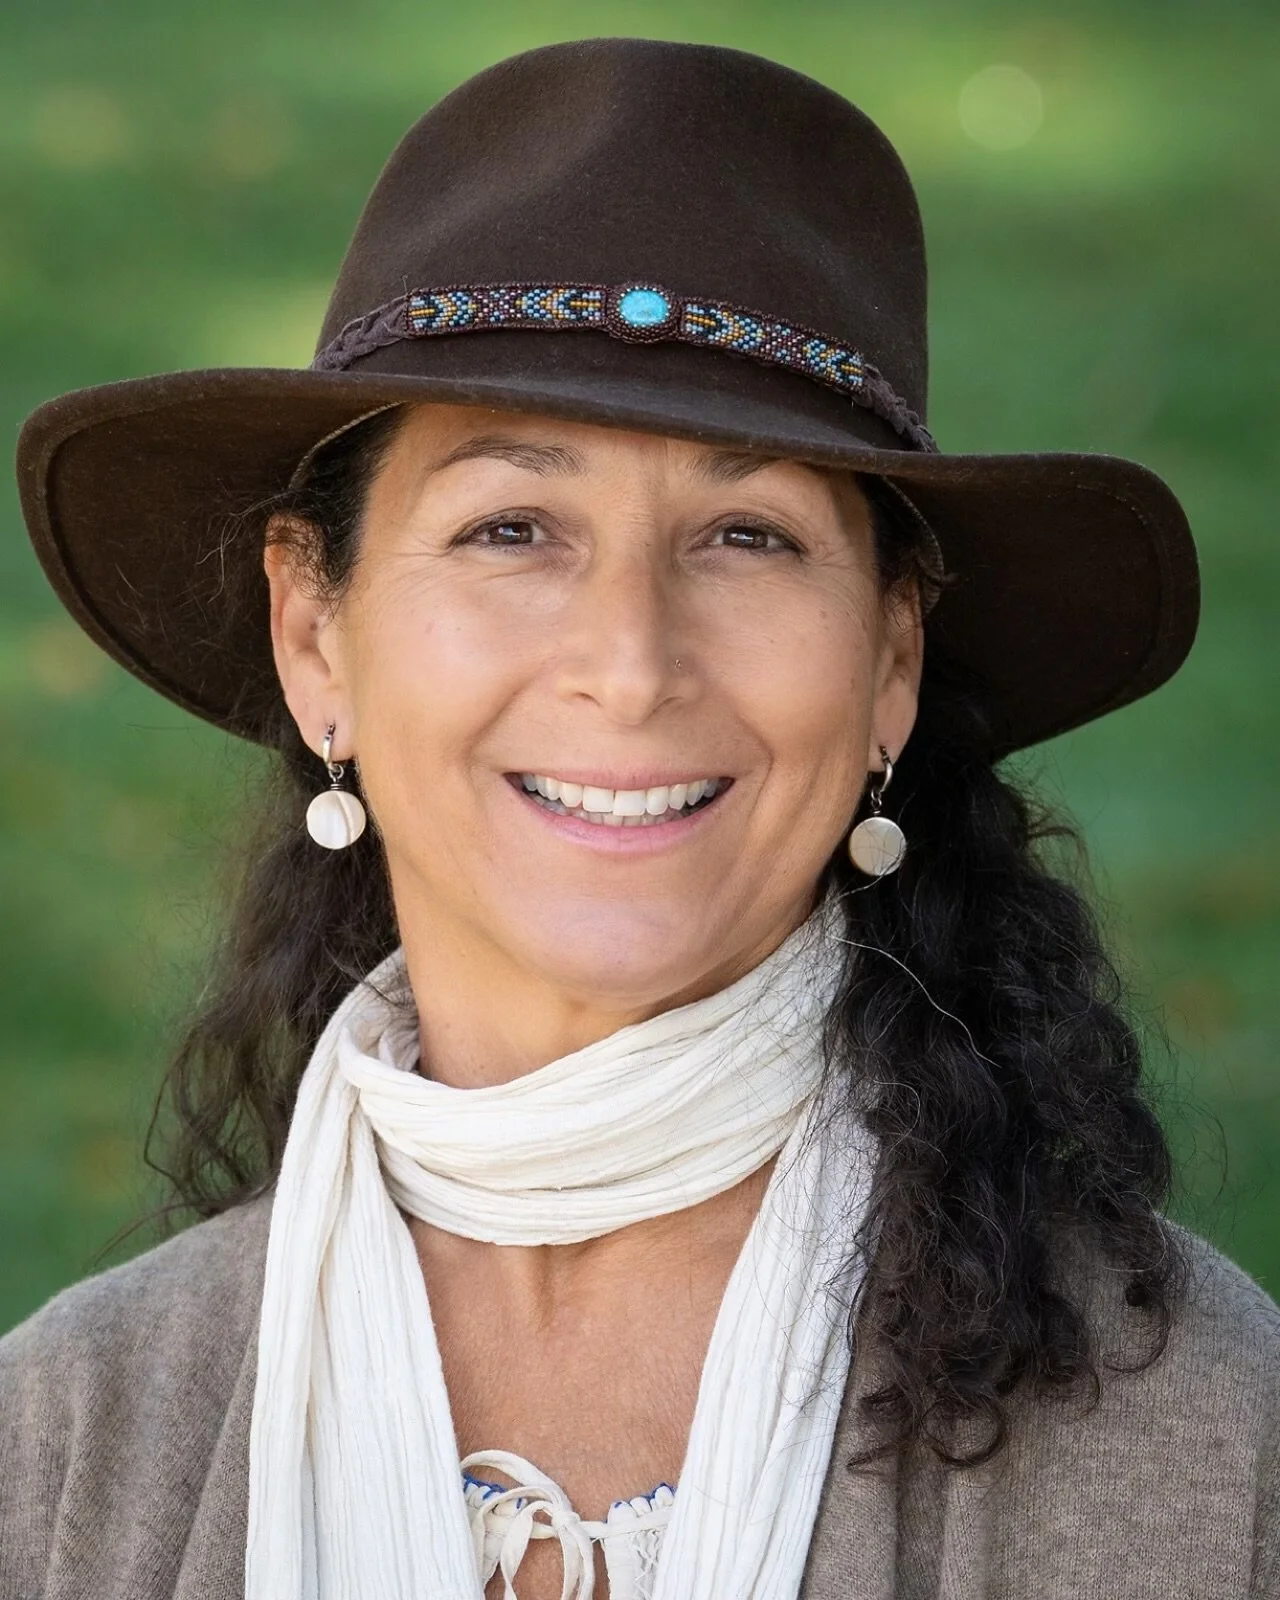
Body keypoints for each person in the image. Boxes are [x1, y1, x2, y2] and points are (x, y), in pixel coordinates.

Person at [2, 35, 1276, 1600]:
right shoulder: (60, 1449)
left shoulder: (1217, 1453)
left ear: (891, 660)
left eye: (748, 534)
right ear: (315, 634)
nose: (631, 662)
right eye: (512, 528)